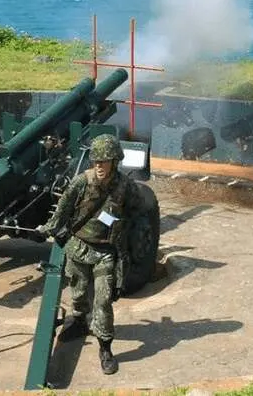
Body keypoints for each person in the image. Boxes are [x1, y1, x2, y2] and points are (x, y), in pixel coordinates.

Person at [34, 133, 144, 375]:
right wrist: (48, 229)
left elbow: (137, 212)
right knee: (79, 290)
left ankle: (105, 348)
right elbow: (62, 210)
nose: (99, 166)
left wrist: (125, 235)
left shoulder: (126, 187)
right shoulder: (81, 182)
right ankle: (79, 321)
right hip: (79, 246)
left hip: (107, 251)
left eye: (104, 161)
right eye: (96, 161)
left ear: (115, 161)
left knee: (103, 301)